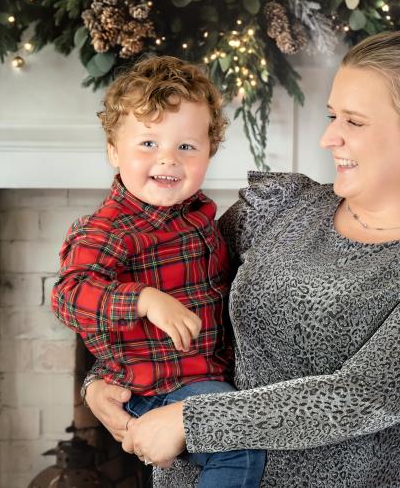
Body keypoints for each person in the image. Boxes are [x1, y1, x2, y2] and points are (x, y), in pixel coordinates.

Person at [83, 31, 400, 487]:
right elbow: (181, 290)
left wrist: (190, 422)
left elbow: (360, 398)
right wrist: (103, 379)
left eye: (354, 121)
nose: (328, 137)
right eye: (333, 116)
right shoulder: (283, 207)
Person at [51, 55, 266, 487]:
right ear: (114, 150)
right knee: (237, 442)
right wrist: (143, 300)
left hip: (204, 378)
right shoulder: (106, 230)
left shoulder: (202, 218)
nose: (168, 160)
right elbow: (69, 296)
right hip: (156, 388)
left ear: (210, 152)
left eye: (186, 146)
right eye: (148, 144)